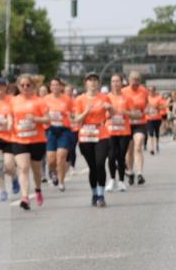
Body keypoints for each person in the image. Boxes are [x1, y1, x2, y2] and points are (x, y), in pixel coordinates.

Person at [10, 74, 50, 209]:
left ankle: (38, 189)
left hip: (37, 140)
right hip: (19, 139)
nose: (25, 87)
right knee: (23, 168)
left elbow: (48, 120)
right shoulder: (14, 101)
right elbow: (11, 117)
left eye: (28, 85)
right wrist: (9, 125)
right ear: (18, 86)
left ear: (33, 86)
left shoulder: (39, 101)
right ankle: (25, 197)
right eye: (22, 85)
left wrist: (35, 119)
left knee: (36, 171)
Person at [74, 72, 111, 207]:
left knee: (100, 164)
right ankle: (94, 193)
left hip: (101, 133)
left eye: (95, 80)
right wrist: (86, 112)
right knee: (92, 167)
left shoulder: (104, 97)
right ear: (86, 83)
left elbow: (111, 115)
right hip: (85, 135)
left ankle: (101, 195)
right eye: (90, 80)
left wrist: (110, 108)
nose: (93, 82)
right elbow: (76, 119)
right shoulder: (80, 99)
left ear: (99, 83)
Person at [43, 77, 74, 191]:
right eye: (53, 85)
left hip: (64, 130)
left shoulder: (67, 99)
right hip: (50, 130)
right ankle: (53, 173)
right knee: (51, 159)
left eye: (57, 85)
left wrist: (69, 115)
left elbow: (73, 114)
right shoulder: (45, 99)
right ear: (50, 87)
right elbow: (41, 113)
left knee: (61, 157)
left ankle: (61, 181)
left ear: (61, 87)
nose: (55, 87)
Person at [121, 71, 148, 185]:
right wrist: (129, 113)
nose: (135, 83)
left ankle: (140, 173)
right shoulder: (123, 91)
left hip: (140, 122)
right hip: (127, 123)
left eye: (137, 80)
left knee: (138, 145)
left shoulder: (144, 91)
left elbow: (146, 104)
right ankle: (130, 172)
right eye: (133, 80)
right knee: (129, 150)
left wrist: (145, 110)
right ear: (129, 81)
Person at [105, 73, 131, 191]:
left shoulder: (127, 98)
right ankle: (111, 180)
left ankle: (121, 181)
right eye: (113, 81)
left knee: (121, 157)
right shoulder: (106, 97)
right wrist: (108, 113)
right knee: (111, 156)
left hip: (124, 131)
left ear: (122, 83)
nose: (115, 84)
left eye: (117, 81)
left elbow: (134, 113)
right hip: (110, 130)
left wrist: (125, 113)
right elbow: (102, 114)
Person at [145, 86, 163, 155]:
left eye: (152, 90)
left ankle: (157, 144)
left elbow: (163, 106)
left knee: (157, 132)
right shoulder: (146, 98)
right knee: (151, 133)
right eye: (149, 90)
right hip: (149, 118)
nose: (151, 92)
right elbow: (144, 107)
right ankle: (151, 148)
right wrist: (146, 110)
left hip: (157, 118)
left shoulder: (159, 98)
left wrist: (157, 107)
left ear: (155, 91)